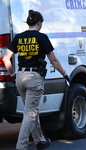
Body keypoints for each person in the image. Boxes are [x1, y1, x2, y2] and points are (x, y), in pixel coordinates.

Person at [3, 10, 70, 150]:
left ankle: (40, 140)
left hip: (20, 77)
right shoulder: (42, 37)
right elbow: (54, 60)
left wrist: (13, 74)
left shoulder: (19, 37)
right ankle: (21, 146)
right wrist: (64, 73)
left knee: (32, 110)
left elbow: (5, 58)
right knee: (30, 113)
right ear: (39, 23)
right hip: (34, 78)